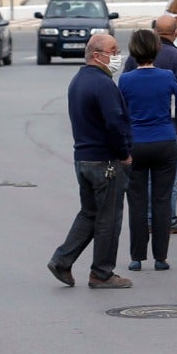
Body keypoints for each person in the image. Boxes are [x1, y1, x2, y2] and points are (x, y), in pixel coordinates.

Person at [47, 33, 134, 290]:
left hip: (83, 159)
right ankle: (102, 273)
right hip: (104, 161)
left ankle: (62, 260)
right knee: (109, 218)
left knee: (89, 213)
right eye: (113, 50)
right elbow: (115, 123)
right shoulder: (103, 85)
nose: (117, 56)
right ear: (97, 55)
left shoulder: (79, 80)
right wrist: (124, 153)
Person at [119, 28, 177, 272]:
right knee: (162, 199)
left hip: (137, 142)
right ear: (156, 50)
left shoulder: (125, 80)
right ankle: (161, 257)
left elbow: (122, 113)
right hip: (164, 140)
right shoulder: (167, 76)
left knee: (137, 201)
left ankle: (137, 257)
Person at [125, 14, 177, 234]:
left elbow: (125, 97)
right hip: (171, 128)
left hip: (139, 129)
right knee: (170, 180)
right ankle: (169, 219)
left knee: (143, 179)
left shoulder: (132, 58)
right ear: (176, 32)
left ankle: (146, 219)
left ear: (154, 31)